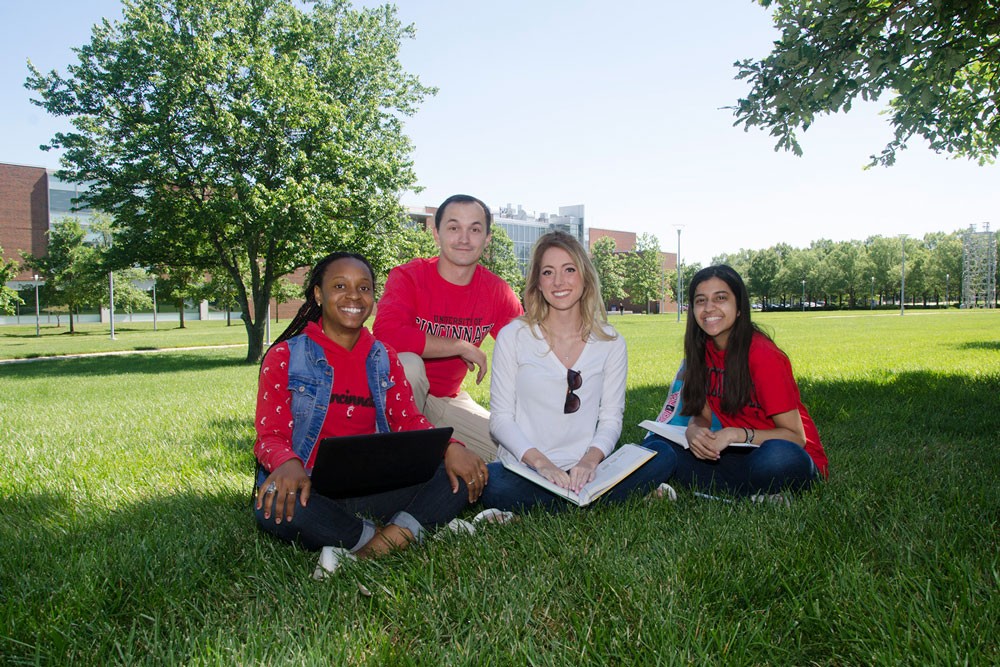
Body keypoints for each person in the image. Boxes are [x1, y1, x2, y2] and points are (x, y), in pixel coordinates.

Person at [253, 252, 487, 574]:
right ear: (318, 295)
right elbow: (270, 435)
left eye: (364, 288)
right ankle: (389, 537)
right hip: (310, 486)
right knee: (271, 507)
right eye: (340, 286)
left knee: (455, 476)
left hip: (375, 487)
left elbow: (408, 420)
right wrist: (287, 464)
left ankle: (363, 552)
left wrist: (451, 448)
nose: (353, 296)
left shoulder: (383, 357)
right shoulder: (285, 357)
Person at [481, 231, 676, 512]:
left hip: (586, 469)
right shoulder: (514, 335)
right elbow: (500, 420)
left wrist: (589, 461)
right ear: (538, 282)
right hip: (527, 468)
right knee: (493, 483)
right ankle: (598, 499)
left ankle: (573, 498)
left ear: (585, 277)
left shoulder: (610, 342)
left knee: (663, 455)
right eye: (548, 272)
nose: (559, 281)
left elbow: (610, 419)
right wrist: (543, 464)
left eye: (569, 269)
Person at [643, 265, 828, 499]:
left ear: (739, 306)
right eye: (701, 301)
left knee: (776, 459)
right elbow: (703, 414)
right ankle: (754, 495)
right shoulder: (701, 352)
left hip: (787, 455)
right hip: (740, 454)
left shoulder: (763, 355)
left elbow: (795, 437)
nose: (709, 308)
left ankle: (719, 487)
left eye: (720, 298)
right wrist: (694, 431)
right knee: (659, 446)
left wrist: (734, 434)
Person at [373, 194, 523, 462]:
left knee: (514, 454)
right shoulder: (409, 276)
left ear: (487, 239)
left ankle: (431, 451)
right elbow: (387, 334)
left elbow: (527, 349)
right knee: (408, 364)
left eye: (474, 229)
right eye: (454, 228)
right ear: (436, 234)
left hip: (445, 401)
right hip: (394, 396)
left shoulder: (497, 291)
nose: (464, 238)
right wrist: (458, 345)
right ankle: (389, 464)